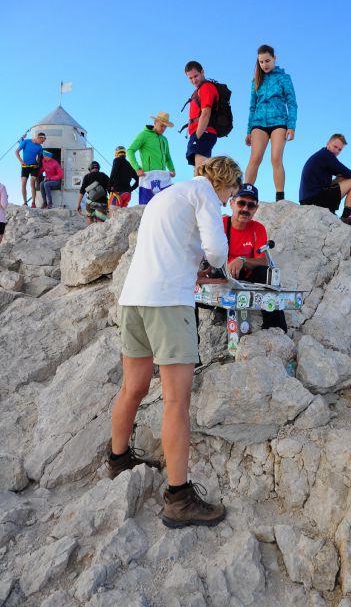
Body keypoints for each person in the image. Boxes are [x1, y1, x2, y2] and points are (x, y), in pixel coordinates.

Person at [109, 155, 242, 529]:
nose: (230, 199)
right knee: (176, 400)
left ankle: (117, 460)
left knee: (131, 388)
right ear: (226, 184)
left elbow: (170, 246)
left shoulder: (169, 194)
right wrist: (208, 262)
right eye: (232, 192)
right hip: (169, 303)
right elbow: (218, 251)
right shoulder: (206, 198)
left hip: (134, 299)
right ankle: (179, 499)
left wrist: (191, 260)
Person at [203, 183, 287, 332]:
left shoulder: (257, 228)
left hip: (246, 280)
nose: (245, 209)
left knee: (266, 273)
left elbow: (263, 260)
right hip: (221, 277)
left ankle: (275, 330)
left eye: (251, 206)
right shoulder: (220, 224)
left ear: (256, 209)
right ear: (232, 203)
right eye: (241, 203)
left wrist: (242, 260)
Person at [245, 45, 297, 201]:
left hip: (279, 122)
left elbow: (292, 102)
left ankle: (280, 197)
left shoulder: (284, 78)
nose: (264, 64)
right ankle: (246, 192)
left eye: (267, 60)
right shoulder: (256, 80)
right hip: (258, 123)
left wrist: (291, 126)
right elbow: (252, 106)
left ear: (275, 58)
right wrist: (248, 130)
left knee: (276, 158)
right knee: (255, 158)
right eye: (261, 62)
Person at [299, 134, 351, 219]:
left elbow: (344, 174)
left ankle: (339, 215)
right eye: (335, 146)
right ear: (328, 143)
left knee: (342, 177)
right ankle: (345, 218)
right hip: (314, 199)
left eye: (340, 149)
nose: (336, 151)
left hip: (308, 198)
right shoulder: (326, 155)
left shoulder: (322, 154)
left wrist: (342, 177)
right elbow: (349, 173)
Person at [127, 112, 175, 205]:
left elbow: (168, 157)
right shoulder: (144, 135)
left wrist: (172, 169)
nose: (164, 129)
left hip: (162, 178)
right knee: (147, 206)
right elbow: (130, 151)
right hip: (148, 177)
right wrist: (137, 168)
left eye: (165, 126)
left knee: (165, 205)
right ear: (155, 122)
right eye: (162, 125)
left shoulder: (164, 139)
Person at [184, 61, 219, 168]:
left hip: (204, 132)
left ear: (202, 72)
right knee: (201, 170)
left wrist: (197, 137)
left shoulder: (206, 87)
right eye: (190, 78)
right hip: (201, 132)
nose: (194, 80)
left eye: (196, 76)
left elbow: (206, 113)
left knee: (200, 170)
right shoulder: (199, 90)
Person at [15, 132, 46, 207]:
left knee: (32, 183)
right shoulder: (26, 142)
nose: (42, 143)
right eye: (42, 141)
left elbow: (39, 157)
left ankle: (33, 203)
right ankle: (25, 202)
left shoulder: (40, 147)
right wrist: (21, 161)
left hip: (34, 167)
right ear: (39, 138)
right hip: (25, 166)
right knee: (23, 183)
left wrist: (38, 165)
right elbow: (16, 152)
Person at [108, 146, 139, 211]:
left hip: (117, 192)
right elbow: (138, 180)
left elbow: (113, 173)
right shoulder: (129, 165)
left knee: (113, 216)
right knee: (121, 216)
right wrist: (131, 189)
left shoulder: (117, 160)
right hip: (127, 194)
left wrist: (109, 187)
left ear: (116, 154)